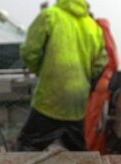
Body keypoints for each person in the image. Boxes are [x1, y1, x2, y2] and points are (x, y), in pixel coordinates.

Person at [17, 0, 107, 151]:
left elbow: (29, 52)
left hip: (50, 99)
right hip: (77, 102)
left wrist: (39, 70)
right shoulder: (93, 27)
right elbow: (100, 63)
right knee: (77, 152)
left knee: (27, 147)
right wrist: (83, 80)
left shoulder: (49, 16)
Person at [84, 17, 118, 154]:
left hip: (98, 88)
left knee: (93, 130)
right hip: (86, 87)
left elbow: (112, 59)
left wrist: (105, 77)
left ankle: (92, 162)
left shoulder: (99, 28)